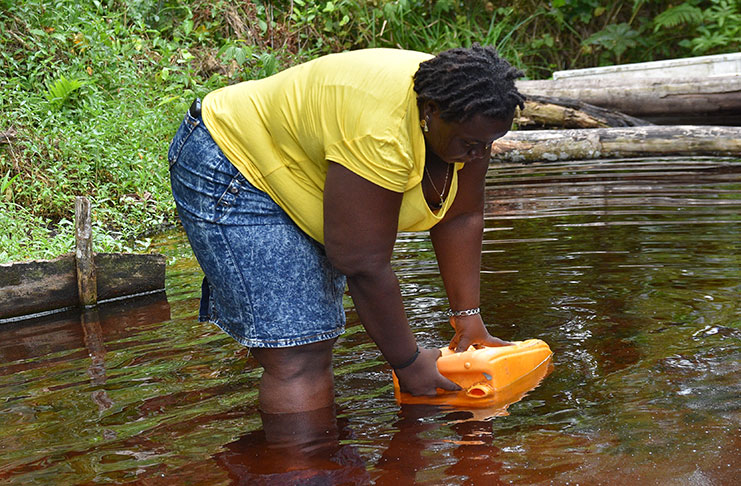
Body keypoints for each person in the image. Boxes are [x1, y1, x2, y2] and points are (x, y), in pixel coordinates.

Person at [168, 44, 526, 415]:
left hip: (306, 170)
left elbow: (460, 215)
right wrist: (407, 362)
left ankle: (319, 465)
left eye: (489, 144)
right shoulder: (381, 131)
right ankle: (298, 470)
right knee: (297, 353)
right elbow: (362, 263)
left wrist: (468, 319)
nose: (481, 156)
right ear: (430, 111)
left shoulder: (469, 112)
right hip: (238, 164)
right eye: (472, 144)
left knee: (311, 341)